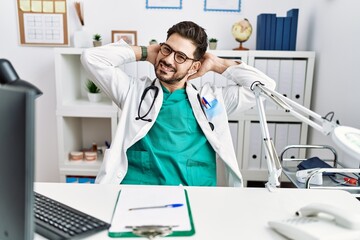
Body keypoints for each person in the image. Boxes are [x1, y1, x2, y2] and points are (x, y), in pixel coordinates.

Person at [81, 21, 276, 187]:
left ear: (195, 66)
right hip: (137, 191)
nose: (167, 59)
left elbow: (265, 87)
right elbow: (91, 58)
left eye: (180, 56)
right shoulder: (133, 91)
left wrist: (217, 64)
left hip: (193, 194)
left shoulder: (212, 101)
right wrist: (145, 52)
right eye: (166, 49)